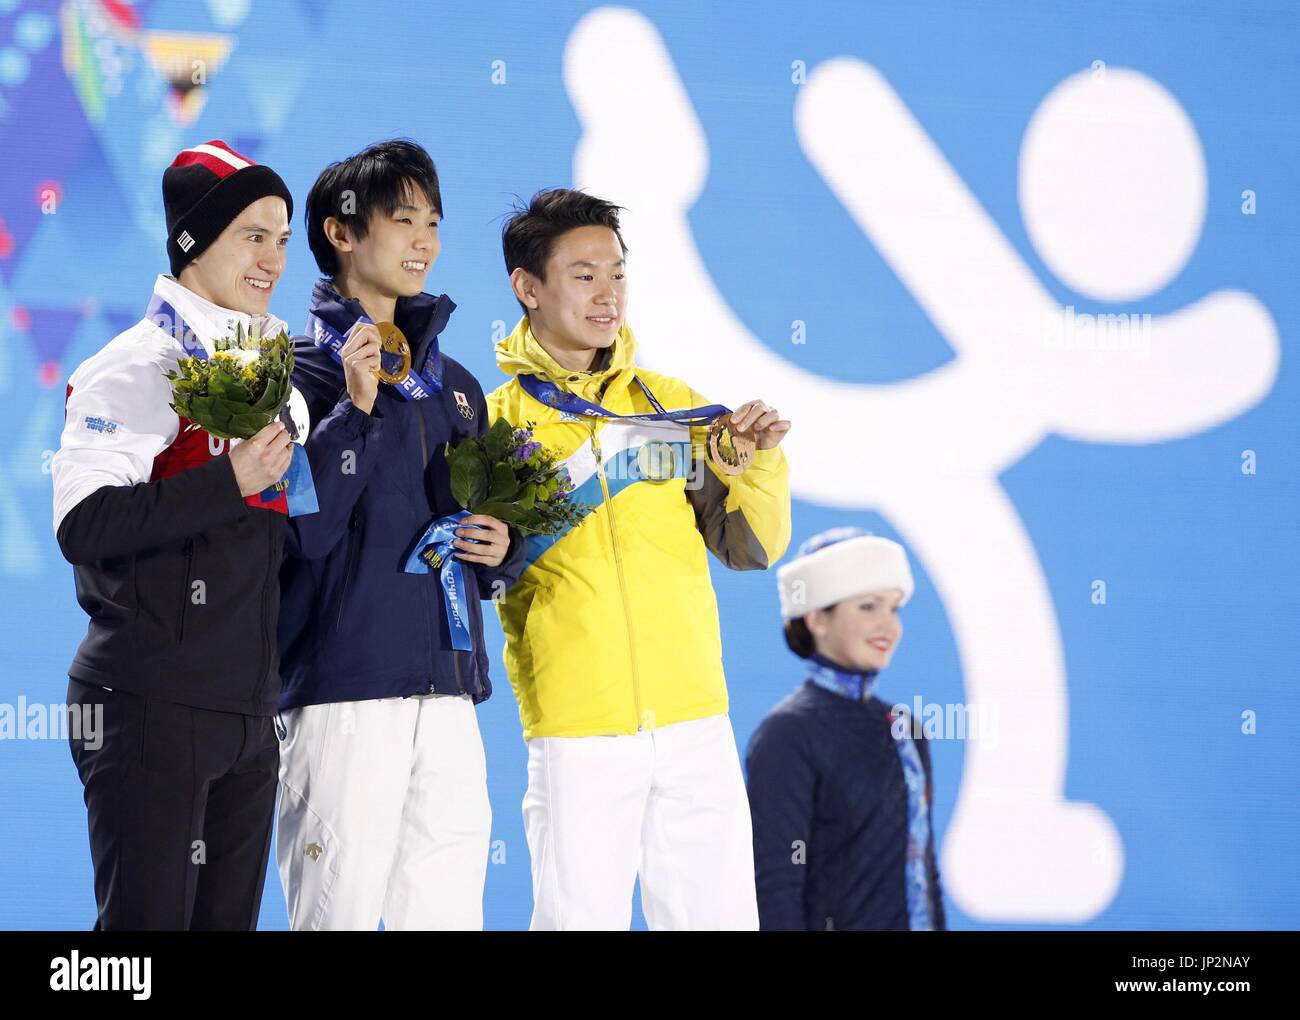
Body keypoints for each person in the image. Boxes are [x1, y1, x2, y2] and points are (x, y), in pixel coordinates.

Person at [485, 188, 792, 930]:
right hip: (577, 728)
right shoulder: (493, 423)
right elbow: (477, 570)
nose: (607, 293)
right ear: (527, 288)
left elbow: (750, 547)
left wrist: (757, 464)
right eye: (584, 274)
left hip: (694, 719)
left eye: (617, 273)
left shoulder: (671, 404)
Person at [274, 139, 526, 930]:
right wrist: (357, 408)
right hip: (342, 691)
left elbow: (477, 543)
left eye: (434, 222)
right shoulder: (291, 375)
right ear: (341, 233)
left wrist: (501, 548)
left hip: (447, 690)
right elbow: (297, 531)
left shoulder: (454, 387)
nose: (425, 240)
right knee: (336, 915)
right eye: (403, 218)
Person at [53, 139, 301, 929]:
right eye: (253, 235)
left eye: (283, 238)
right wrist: (230, 481)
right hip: (149, 702)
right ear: (195, 242)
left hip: (245, 716)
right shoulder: (136, 365)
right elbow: (85, 525)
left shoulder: (272, 384)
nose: (273, 259)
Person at [745, 527, 948, 930]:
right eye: (869, 606)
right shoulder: (786, 735)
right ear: (817, 617)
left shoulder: (906, 731)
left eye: (894, 608)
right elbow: (774, 886)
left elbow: (925, 874)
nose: (889, 626)